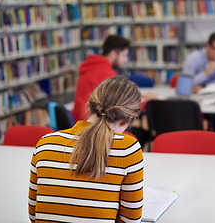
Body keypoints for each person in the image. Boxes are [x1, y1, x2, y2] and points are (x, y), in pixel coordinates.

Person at [29, 76, 144, 223]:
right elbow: (130, 221)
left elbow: (34, 216)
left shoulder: (44, 143)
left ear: (89, 105)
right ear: (126, 121)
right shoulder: (128, 149)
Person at [72, 35, 130, 121]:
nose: (126, 60)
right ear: (113, 54)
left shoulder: (91, 66)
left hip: (79, 119)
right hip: (91, 124)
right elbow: (124, 106)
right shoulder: (107, 74)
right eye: (124, 55)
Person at [183, 32, 215, 132]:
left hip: (213, 98)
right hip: (194, 101)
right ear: (208, 47)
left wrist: (203, 87)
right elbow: (186, 83)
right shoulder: (193, 58)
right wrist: (207, 73)